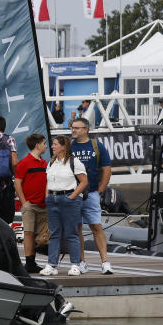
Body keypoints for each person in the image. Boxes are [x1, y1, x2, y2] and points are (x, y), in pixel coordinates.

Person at [70, 117, 114, 274]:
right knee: (77, 229)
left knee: (96, 226)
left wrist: (101, 189)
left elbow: (106, 169)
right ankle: (81, 261)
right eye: (72, 127)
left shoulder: (97, 146)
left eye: (77, 128)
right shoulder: (68, 146)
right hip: (74, 194)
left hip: (92, 193)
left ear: (86, 129)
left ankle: (105, 262)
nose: (73, 130)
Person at [39, 135, 88, 277]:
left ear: (64, 147)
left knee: (71, 233)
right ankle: (52, 264)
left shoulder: (75, 162)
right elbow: (48, 180)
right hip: (53, 199)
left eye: (55, 144)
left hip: (69, 199)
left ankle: (75, 264)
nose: (52, 146)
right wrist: (47, 195)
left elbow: (84, 182)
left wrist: (72, 197)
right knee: (54, 233)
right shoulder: (52, 162)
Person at [13, 133, 51, 273]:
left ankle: (33, 261)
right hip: (30, 205)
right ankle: (29, 263)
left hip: (43, 205)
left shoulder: (44, 163)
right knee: (29, 233)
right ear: (37, 145)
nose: (46, 146)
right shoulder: (24, 162)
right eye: (44, 143)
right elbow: (17, 183)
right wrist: (24, 202)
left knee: (41, 236)